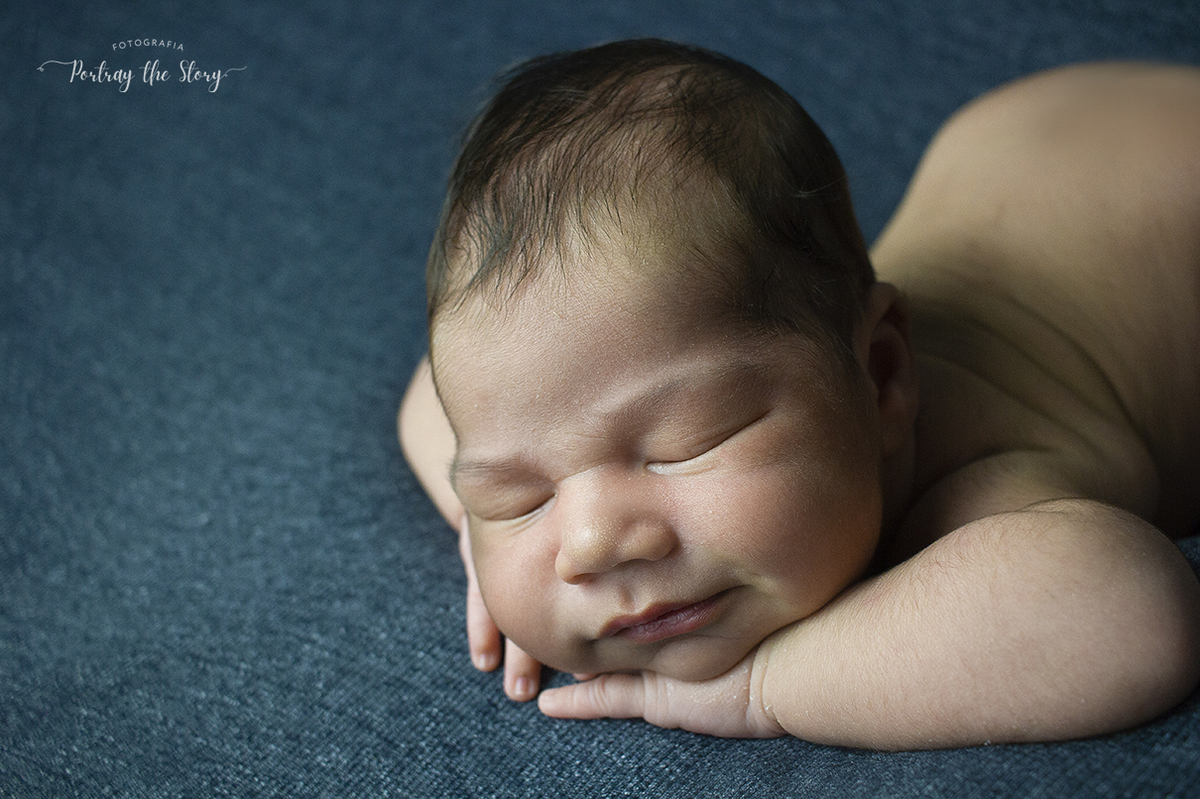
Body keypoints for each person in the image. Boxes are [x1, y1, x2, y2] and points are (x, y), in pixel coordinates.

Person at [398, 39, 1200, 750]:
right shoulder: (591, 401)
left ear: (883, 377)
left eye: (688, 443)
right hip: (1027, 149)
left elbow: (1131, 618)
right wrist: (493, 545)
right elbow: (431, 401)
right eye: (520, 494)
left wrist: (768, 686)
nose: (593, 543)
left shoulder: (978, 479)